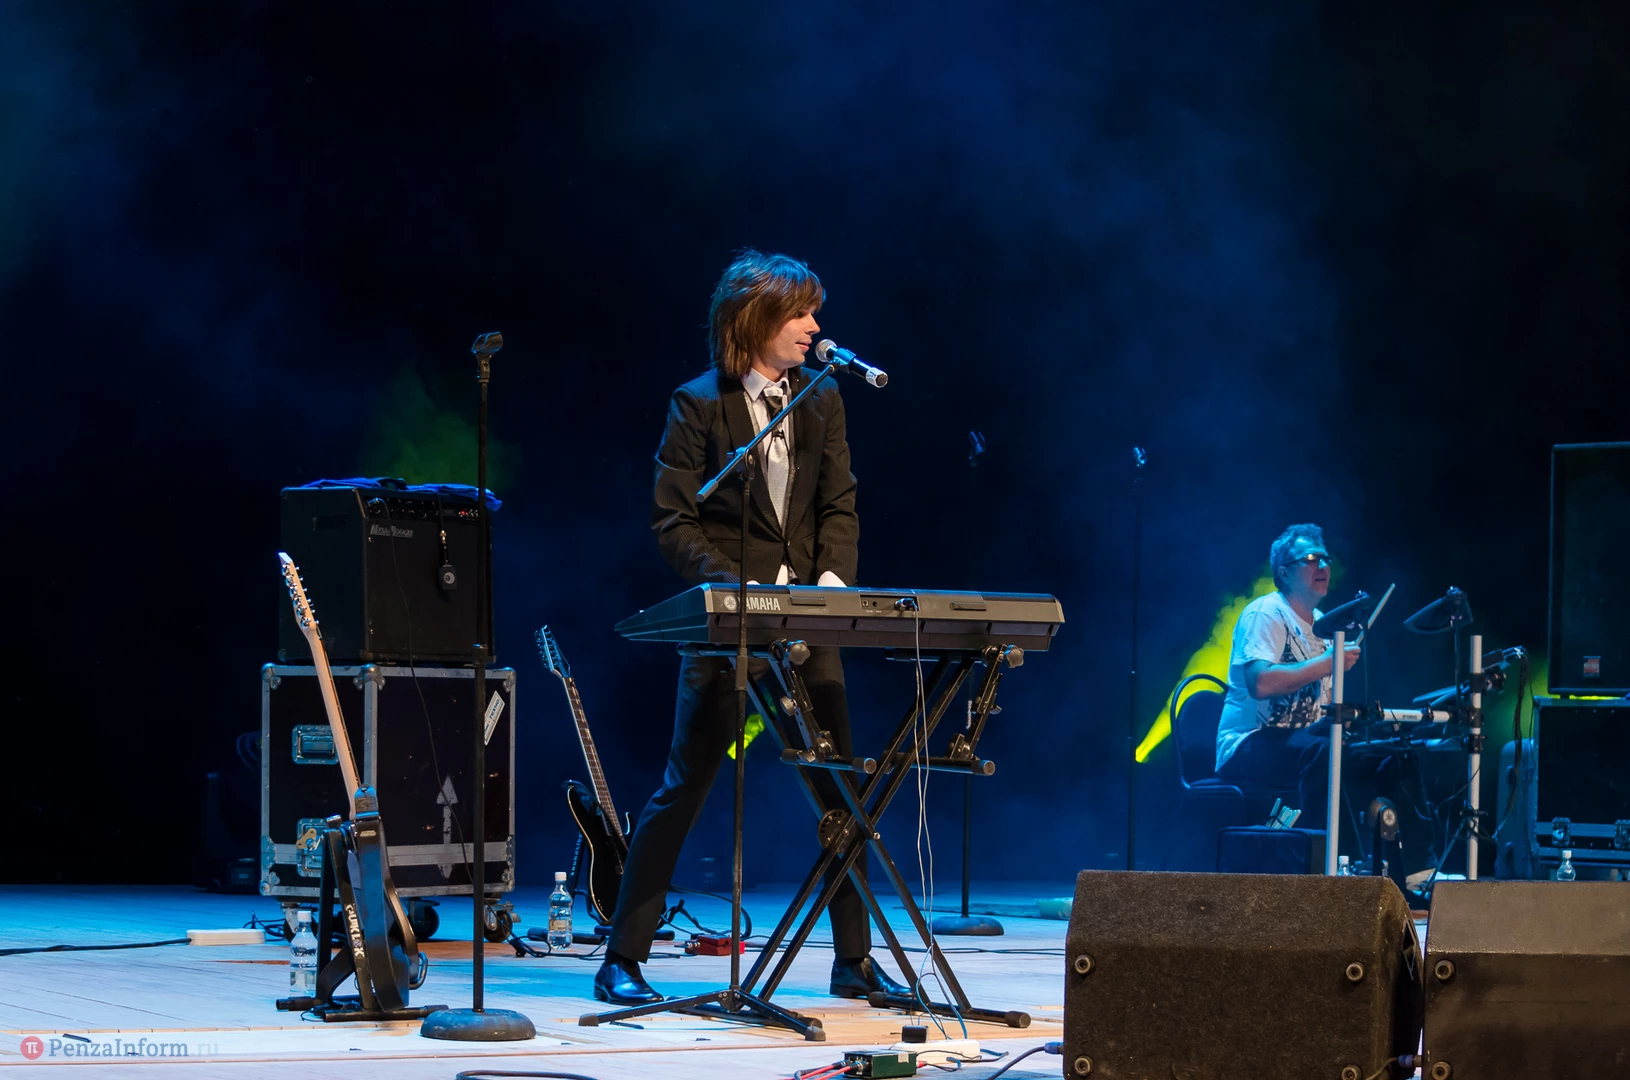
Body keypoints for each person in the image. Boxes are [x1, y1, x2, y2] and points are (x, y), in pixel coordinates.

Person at [593, 250, 910, 1006]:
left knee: (841, 794)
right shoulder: (698, 403)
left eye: (813, 312)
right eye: (800, 312)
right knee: (685, 788)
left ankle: (854, 960)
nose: (814, 326)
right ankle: (622, 958)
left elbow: (839, 503)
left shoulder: (822, 399)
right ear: (755, 319)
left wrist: (831, 583)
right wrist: (738, 591)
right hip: (732, 626)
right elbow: (673, 521)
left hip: (810, 621)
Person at [1214, 523, 1362, 819]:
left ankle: (1402, 851)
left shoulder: (1322, 622)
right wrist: (1327, 663)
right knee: (1324, 752)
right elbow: (1261, 683)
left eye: (1325, 559)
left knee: (1379, 754)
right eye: (1310, 559)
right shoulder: (1265, 613)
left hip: (1300, 740)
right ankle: (1316, 844)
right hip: (1248, 743)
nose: (1322, 566)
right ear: (1284, 573)